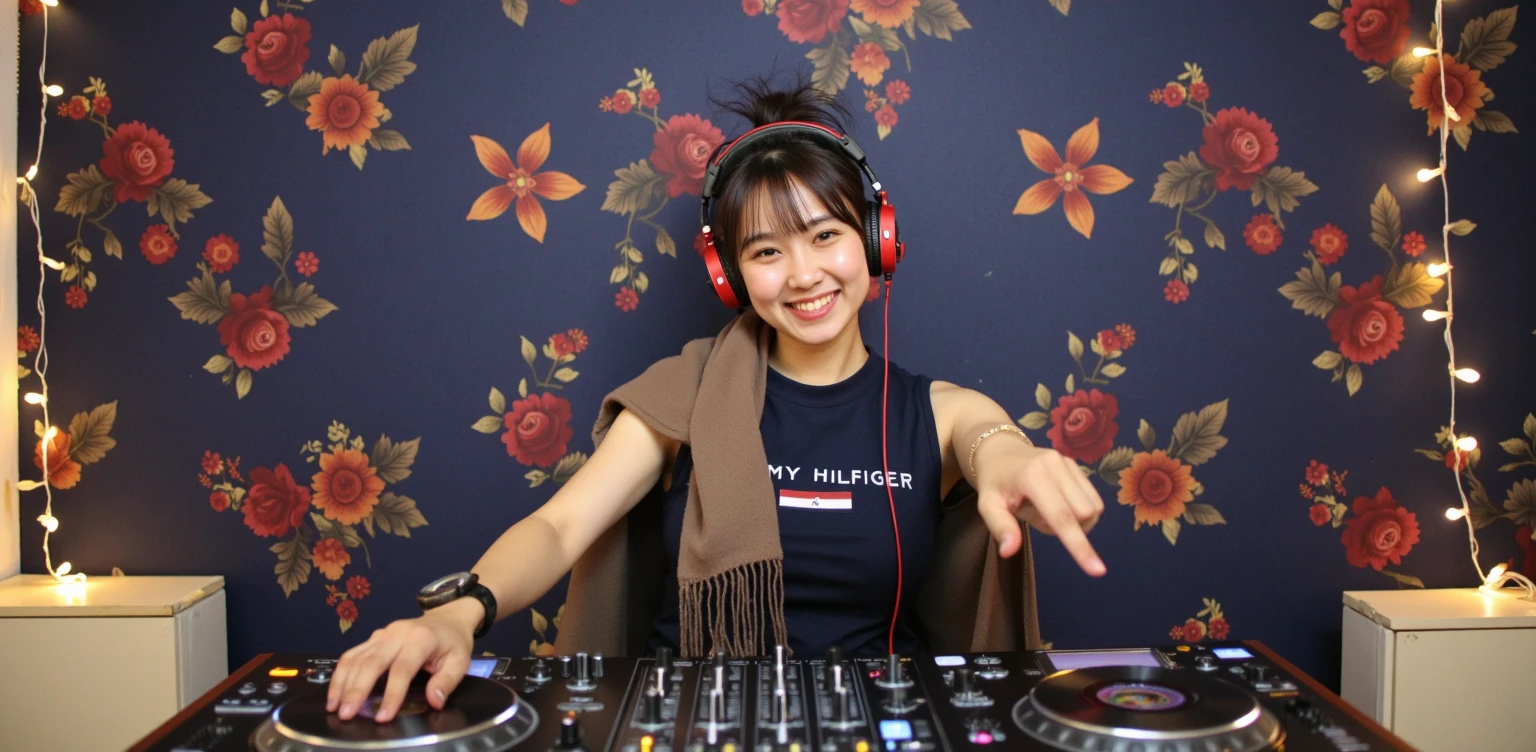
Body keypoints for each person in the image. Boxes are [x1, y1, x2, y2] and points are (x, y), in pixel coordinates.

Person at [326, 78, 1105, 723]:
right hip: (695, 720)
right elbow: (560, 527)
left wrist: (1015, 456)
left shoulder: (938, 411)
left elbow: (989, 438)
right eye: (767, 251)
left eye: (827, 236)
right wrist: (456, 612)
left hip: (875, 721)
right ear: (730, 276)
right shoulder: (687, 390)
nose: (803, 275)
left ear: (876, 240)